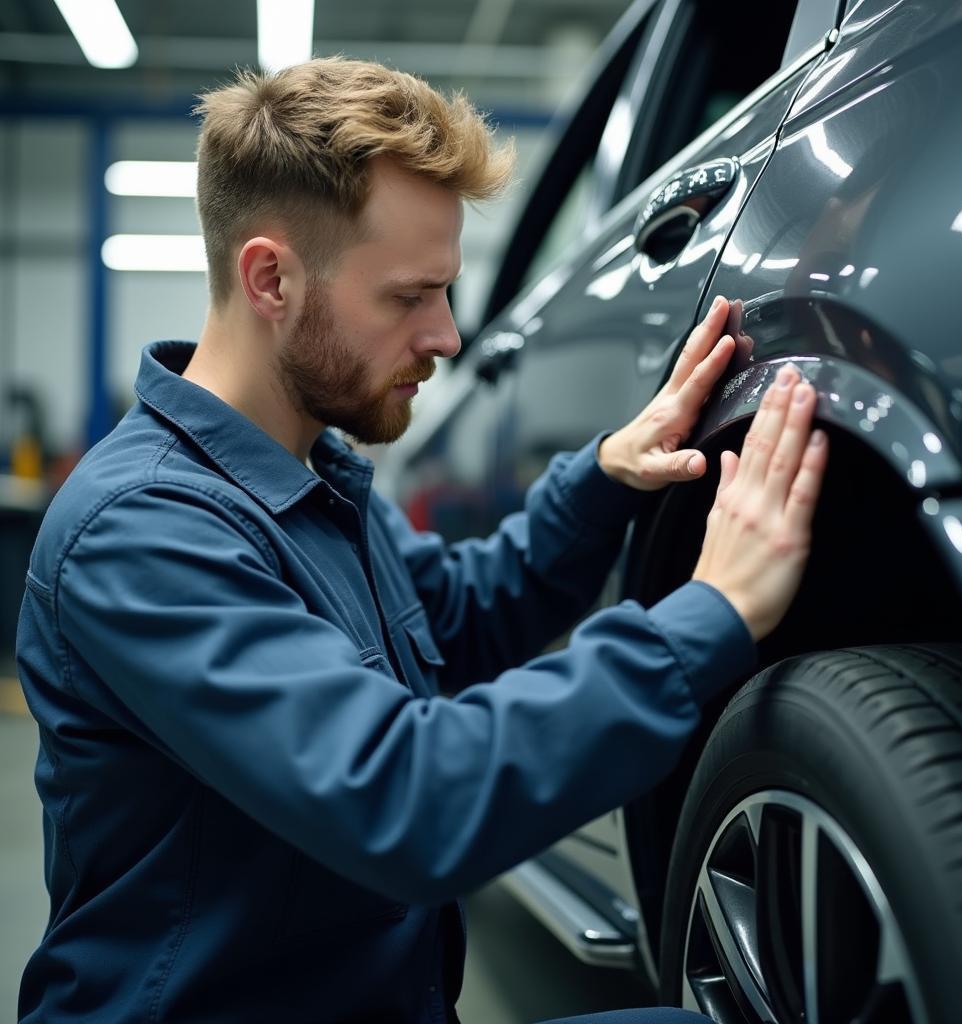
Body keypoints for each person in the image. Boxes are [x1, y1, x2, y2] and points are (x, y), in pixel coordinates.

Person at [15, 58, 828, 1024]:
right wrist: (712, 613)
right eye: (409, 297)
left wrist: (606, 475)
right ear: (269, 277)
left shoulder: (314, 480)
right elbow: (406, 797)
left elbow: (464, 614)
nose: (447, 337)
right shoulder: (143, 531)